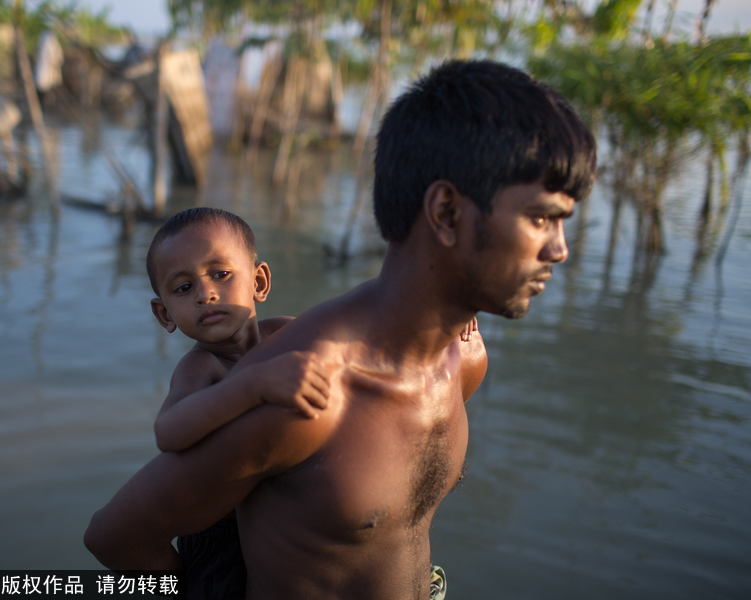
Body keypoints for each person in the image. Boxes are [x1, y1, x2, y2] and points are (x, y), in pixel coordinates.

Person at [85, 59, 597, 600]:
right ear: (445, 212)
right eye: (541, 218)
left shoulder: (464, 360)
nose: (559, 249)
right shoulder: (308, 395)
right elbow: (116, 539)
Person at [146, 207, 333, 599]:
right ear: (164, 313)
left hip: (279, 518)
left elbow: (353, 345)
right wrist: (250, 386)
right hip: (219, 535)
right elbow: (168, 430)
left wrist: (440, 325)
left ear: (259, 281)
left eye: (221, 274)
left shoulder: (285, 332)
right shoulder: (201, 368)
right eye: (183, 288)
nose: (205, 294)